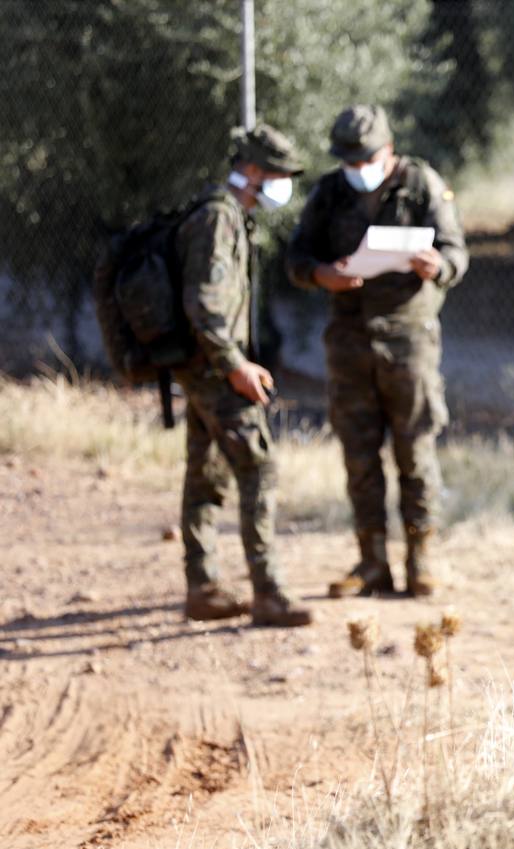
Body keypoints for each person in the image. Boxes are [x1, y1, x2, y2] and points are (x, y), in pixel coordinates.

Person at [285, 105, 468, 598]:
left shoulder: (422, 184)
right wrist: (323, 275)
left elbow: (457, 252)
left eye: (365, 158)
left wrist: (438, 266)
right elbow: (297, 258)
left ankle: (421, 560)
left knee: (416, 449)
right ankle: (371, 562)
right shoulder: (329, 191)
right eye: (348, 160)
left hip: (409, 341)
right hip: (348, 341)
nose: (357, 168)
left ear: (388, 150)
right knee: (359, 455)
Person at [176, 124, 313, 627]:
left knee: (206, 473)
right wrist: (236, 367)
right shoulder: (219, 220)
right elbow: (204, 307)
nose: (283, 183)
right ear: (253, 171)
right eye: (278, 173)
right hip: (215, 368)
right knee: (256, 469)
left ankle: (203, 587)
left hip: (200, 366)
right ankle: (268, 593)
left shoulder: (225, 213)